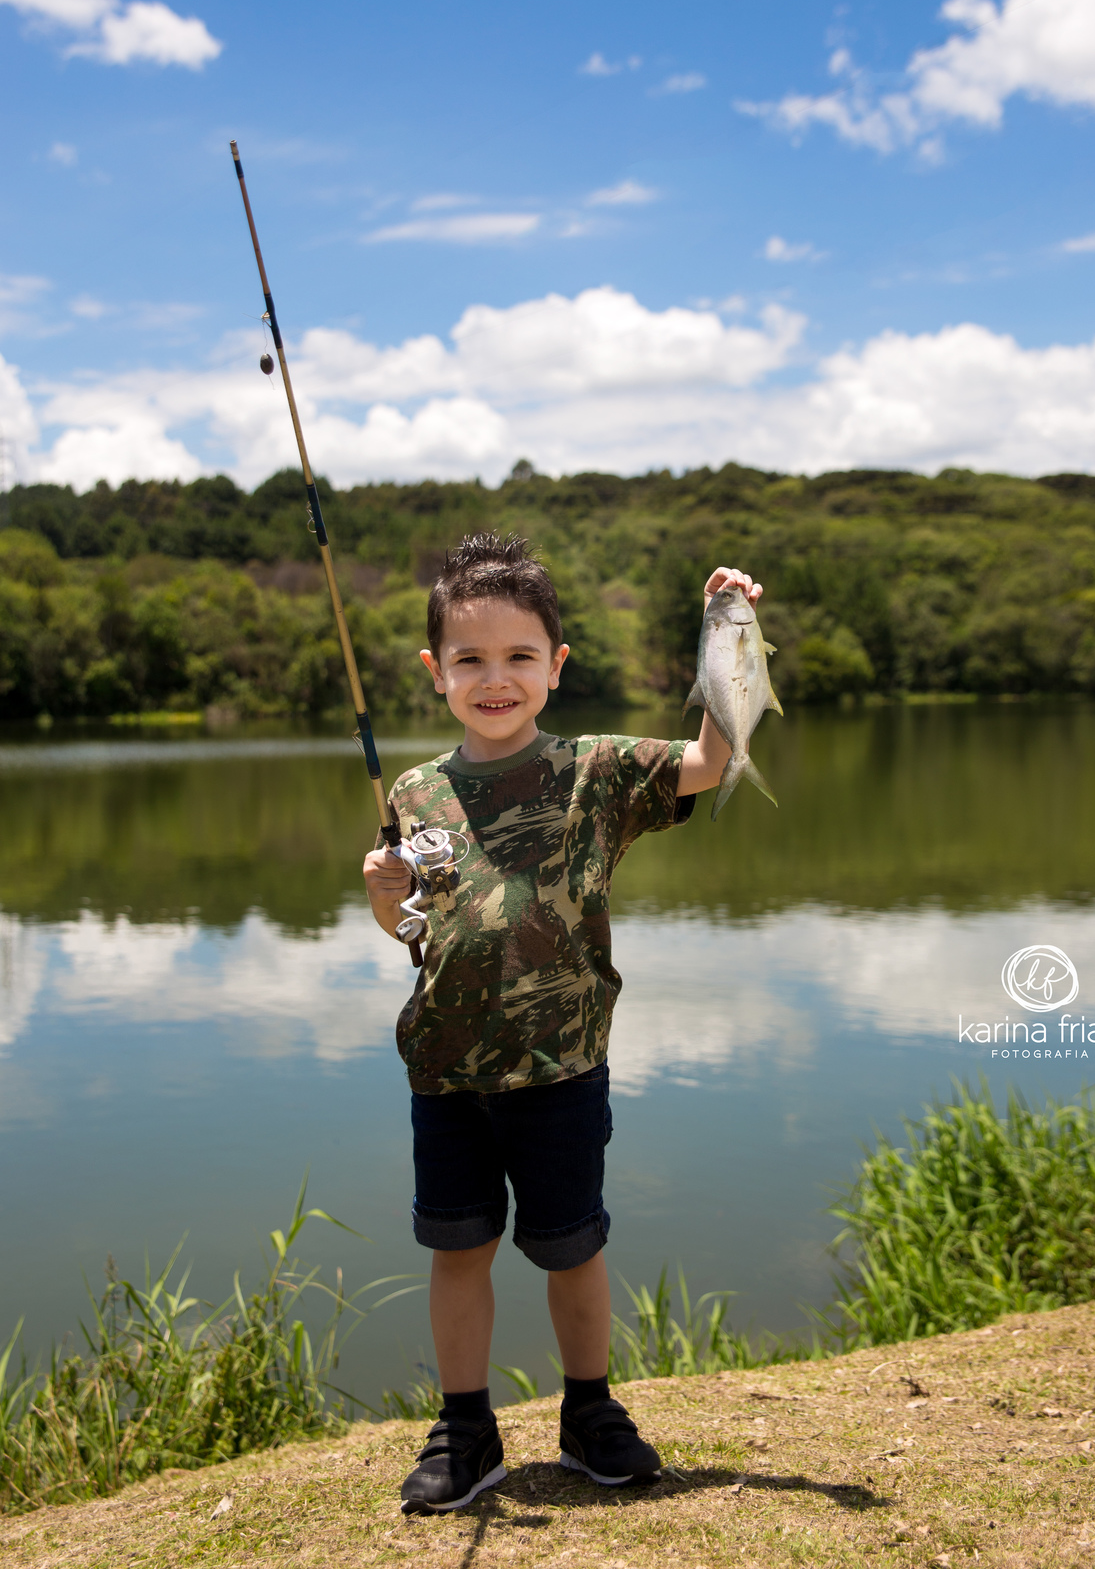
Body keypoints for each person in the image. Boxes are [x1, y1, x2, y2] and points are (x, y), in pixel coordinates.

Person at [362, 533, 763, 1516]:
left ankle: (590, 1412)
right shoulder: (415, 791)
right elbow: (416, 929)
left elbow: (714, 760)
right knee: (457, 1251)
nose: (494, 679)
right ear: (436, 672)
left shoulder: (597, 772)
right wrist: (385, 895)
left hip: (563, 1071)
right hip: (447, 1077)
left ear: (556, 665)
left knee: (572, 1248)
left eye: (518, 658)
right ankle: (467, 1427)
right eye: (470, 660)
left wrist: (729, 630)